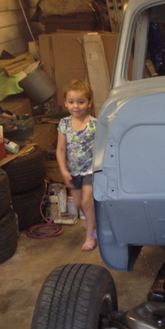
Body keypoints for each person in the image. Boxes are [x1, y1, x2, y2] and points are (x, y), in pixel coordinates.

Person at [56, 79, 98, 251]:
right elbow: (60, 150)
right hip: (73, 171)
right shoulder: (64, 124)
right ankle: (90, 221)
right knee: (79, 203)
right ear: (65, 103)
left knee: (88, 202)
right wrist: (64, 170)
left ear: (89, 103)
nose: (76, 106)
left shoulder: (94, 124)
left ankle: (90, 234)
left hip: (90, 170)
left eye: (81, 102)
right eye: (72, 102)